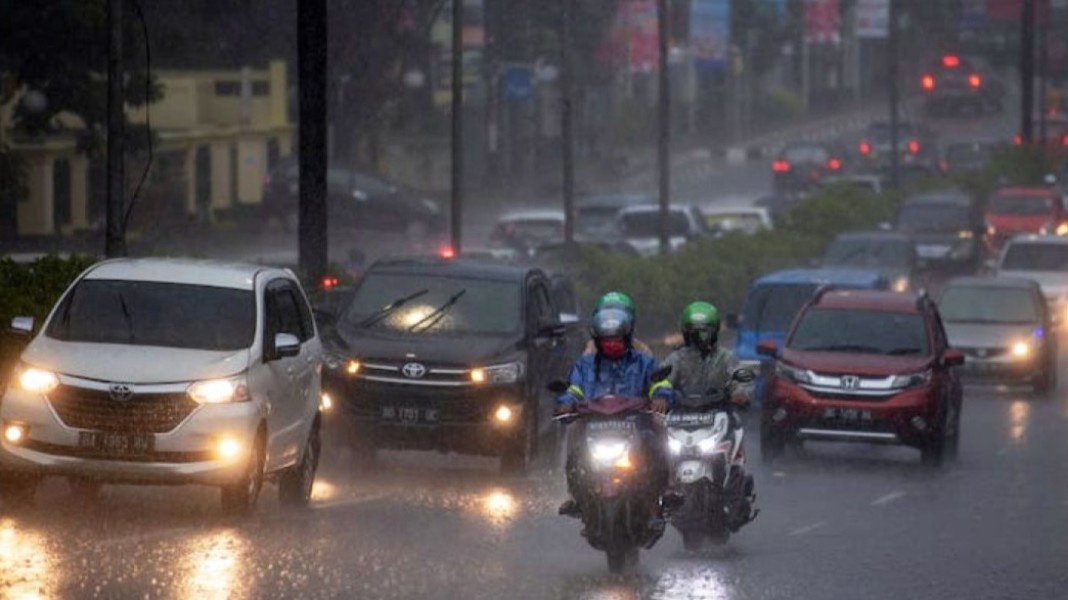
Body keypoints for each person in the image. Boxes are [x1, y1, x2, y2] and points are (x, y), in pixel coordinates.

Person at [555, 305, 674, 517]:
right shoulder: (585, 365)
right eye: (606, 340)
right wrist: (566, 402)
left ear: (627, 338)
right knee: (574, 439)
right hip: (595, 423)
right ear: (597, 340)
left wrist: (660, 398)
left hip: (636, 423)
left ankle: (668, 488)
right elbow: (574, 388)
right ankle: (574, 495)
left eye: (617, 340)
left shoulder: (643, 362)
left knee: (656, 439)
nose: (611, 345)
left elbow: (659, 383)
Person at [662, 301, 752, 409]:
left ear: (715, 332)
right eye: (694, 333)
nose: (699, 338)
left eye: (704, 332)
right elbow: (663, 381)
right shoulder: (676, 359)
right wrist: (661, 397)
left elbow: (740, 380)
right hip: (680, 415)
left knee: (737, 424)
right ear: (686, 333)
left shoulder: (726, 358)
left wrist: (740, 394)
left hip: (720, 413)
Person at [581, 291, 653, 356]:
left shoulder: (641, 351)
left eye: (616, 316)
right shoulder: (591, 351)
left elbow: (653, 369)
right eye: (607, 316)